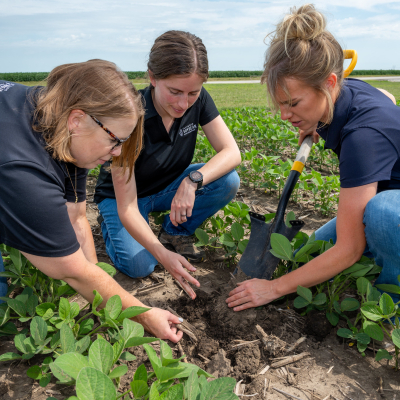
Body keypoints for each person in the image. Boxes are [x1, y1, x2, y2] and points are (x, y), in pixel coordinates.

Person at [226, 4, 400, 311]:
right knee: (311, 249)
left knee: (381, 214)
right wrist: (317, 124)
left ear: (329, 84)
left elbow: (349, 249)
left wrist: (273, 288)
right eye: (280, 104)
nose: (284, 115)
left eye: (293, 103)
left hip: (391, 210)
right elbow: (388, 98)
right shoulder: (346, 93)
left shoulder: (363, 138)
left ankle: (391, 305)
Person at [0, 60, 184, 342]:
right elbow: (72, 270)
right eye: (115, 140)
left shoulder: (62, 122)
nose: (118, 152)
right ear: (78, 119)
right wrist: (144, 314)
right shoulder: (23, 170)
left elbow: (75, 218)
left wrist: (101, 294)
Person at [94, 31, 241, 298]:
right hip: (124, 198)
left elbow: (231, 152)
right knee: (140, 265)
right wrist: (161, 256)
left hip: (167, 185)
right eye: (174, 92)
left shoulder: (199, 99)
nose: (183, 103)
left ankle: (174, 231)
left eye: (192, 93)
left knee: (227, 180)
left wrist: (192, 181)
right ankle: (110, 225)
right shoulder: (131, 115)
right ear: (152, 77)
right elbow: (127, 205)